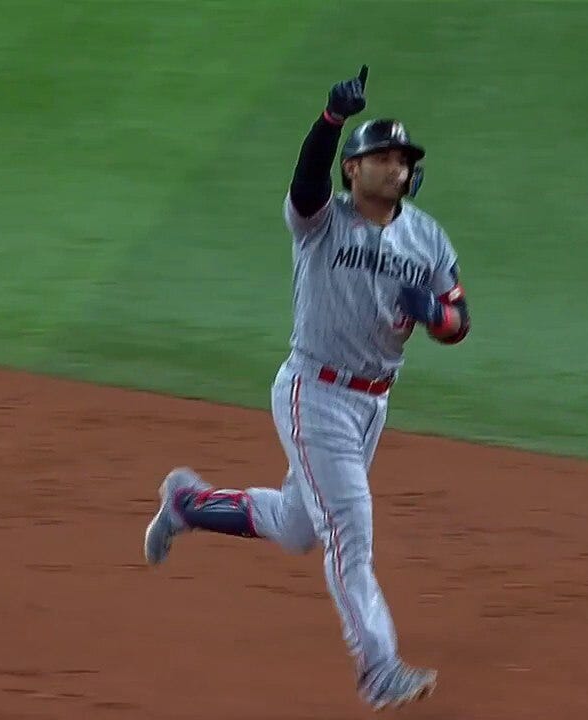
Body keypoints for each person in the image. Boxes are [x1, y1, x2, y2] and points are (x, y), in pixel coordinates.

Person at [142, 64, 469, 711]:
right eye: (381, 156)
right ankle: (379, 667)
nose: (395, 166)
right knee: (350, 532)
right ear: (352, 169)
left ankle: (188, 504)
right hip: (312, 393)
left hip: (372, 403)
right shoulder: (321, 221)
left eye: (402, 158)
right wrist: (330, 120)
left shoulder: (427, 235)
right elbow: (302, 182)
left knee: (297, 526)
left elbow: (460, 319)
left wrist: (435, 316)